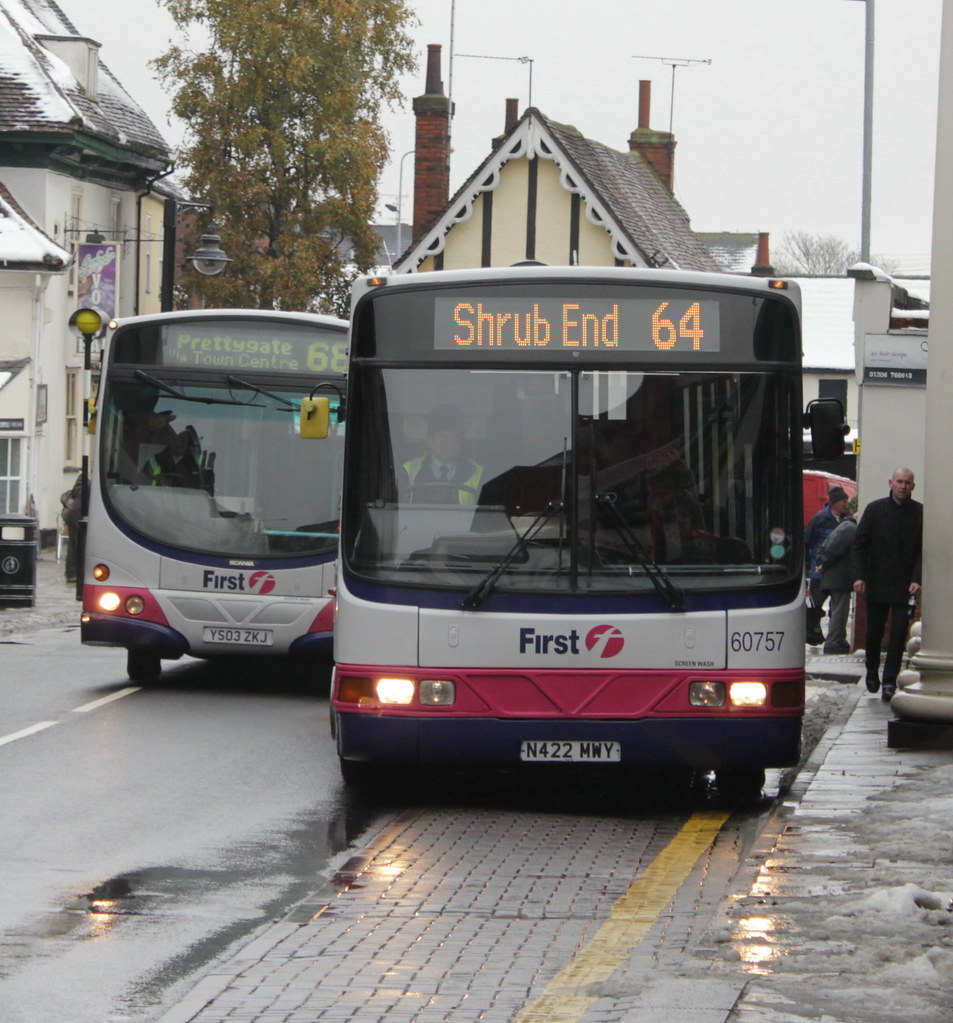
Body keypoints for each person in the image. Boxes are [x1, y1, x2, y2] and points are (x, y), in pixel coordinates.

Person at [849, 467, 923, 700]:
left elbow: (923, 550)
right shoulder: (874, 510)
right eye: (899, 482)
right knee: (874, 633)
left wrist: (916, 579)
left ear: (913, 486)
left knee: (899, 633)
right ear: (891, 483)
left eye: (908, 483)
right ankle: (872, 670)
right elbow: (860, 545)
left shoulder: (920, 512)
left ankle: (889, 681)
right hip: (877, 580)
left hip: (904, 584)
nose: (903, 486)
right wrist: (859, 576)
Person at [402, 405, 484, 505]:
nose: (449, 444)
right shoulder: (408, 471)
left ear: (462, 441)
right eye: (443, 437)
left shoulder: (477, 473)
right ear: (430, 441)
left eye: (456, 438)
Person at [805, 485, 852, 645]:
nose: (846, 505)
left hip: (838, 571)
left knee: (837, 608)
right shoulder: (820, 518)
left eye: (847, 502)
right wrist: (811, 564)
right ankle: (814, 633)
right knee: (815, 606)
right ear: (834, 503)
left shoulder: (847, 518)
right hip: (819, 570)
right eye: (843, 502)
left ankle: (835, 636)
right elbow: (808, 540)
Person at [816, 509, 857, 654]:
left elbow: (829, 548)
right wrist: (824, 564)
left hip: (836, 577)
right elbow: (834, 550)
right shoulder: (850, 529)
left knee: (839, 610)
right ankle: (833, 642)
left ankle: (838, 640)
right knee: (840, 610)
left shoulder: (844, 527)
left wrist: (823, 564)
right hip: (839, 578)